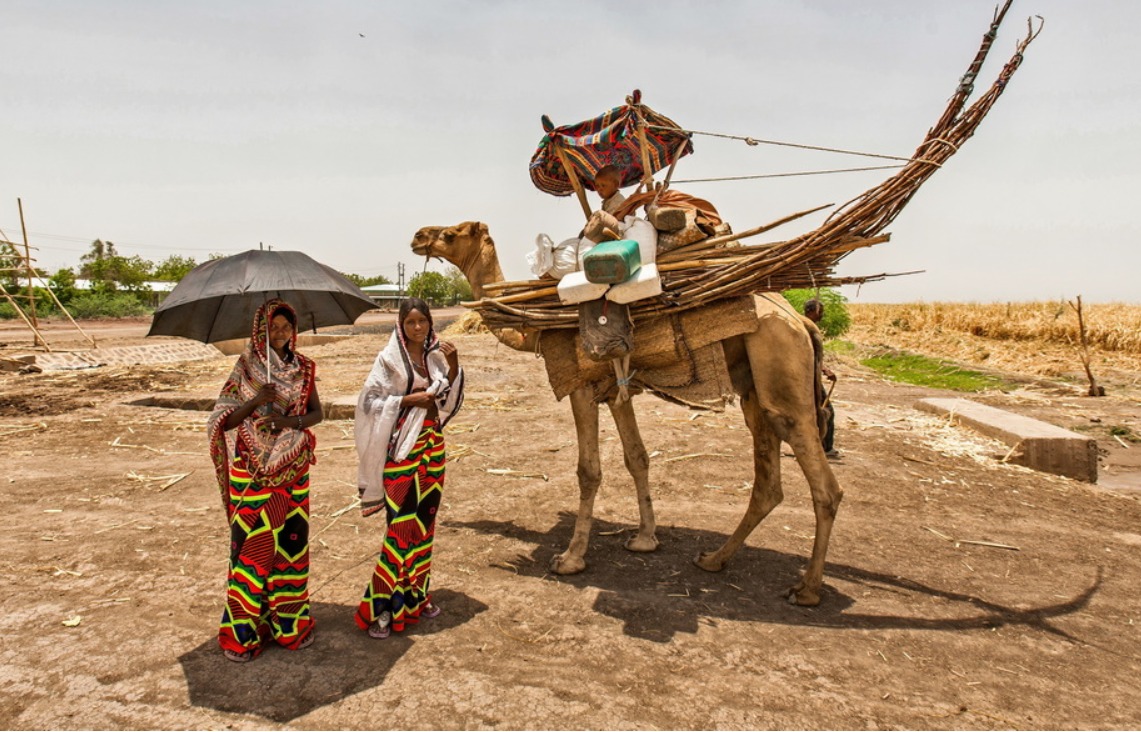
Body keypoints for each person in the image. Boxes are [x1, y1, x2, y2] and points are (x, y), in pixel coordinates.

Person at [207, 298, 323, 663]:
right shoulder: (245, 369)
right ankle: (242, 633)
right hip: (254, 476)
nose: (281, 333)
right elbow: (222, 421)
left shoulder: (303, 368)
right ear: (261, 330)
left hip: (294, 472)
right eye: (274, 327)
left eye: (287, 327)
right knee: (252, 553)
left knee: (291, 549)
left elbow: (317, 413)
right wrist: (257, 400)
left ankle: (289, 625)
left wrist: (289, 423)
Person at [354, 297, 464, 639]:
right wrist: (407, 400)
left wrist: (455, 365)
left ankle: (417, 597)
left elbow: (448, 398)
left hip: (433, 448)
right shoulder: (387, 360)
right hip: (401, 453)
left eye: (423, 321)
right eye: (411, 322)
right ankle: (382, 609)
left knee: (424, 527)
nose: (418, 327)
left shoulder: (436, 357)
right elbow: (369, 402)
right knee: (400, 529)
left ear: (431, 322)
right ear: (400, 326)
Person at [803, 298, 839, 459]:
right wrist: (825, 370)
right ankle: (826, 448)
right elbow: (808, 355)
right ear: (813, 311)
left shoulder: (801, 326)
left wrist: (824, 369)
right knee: (827, 411)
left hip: (807, 377)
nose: (821, 316)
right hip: (809, 379)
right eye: (820, 312)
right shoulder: (806, 329)